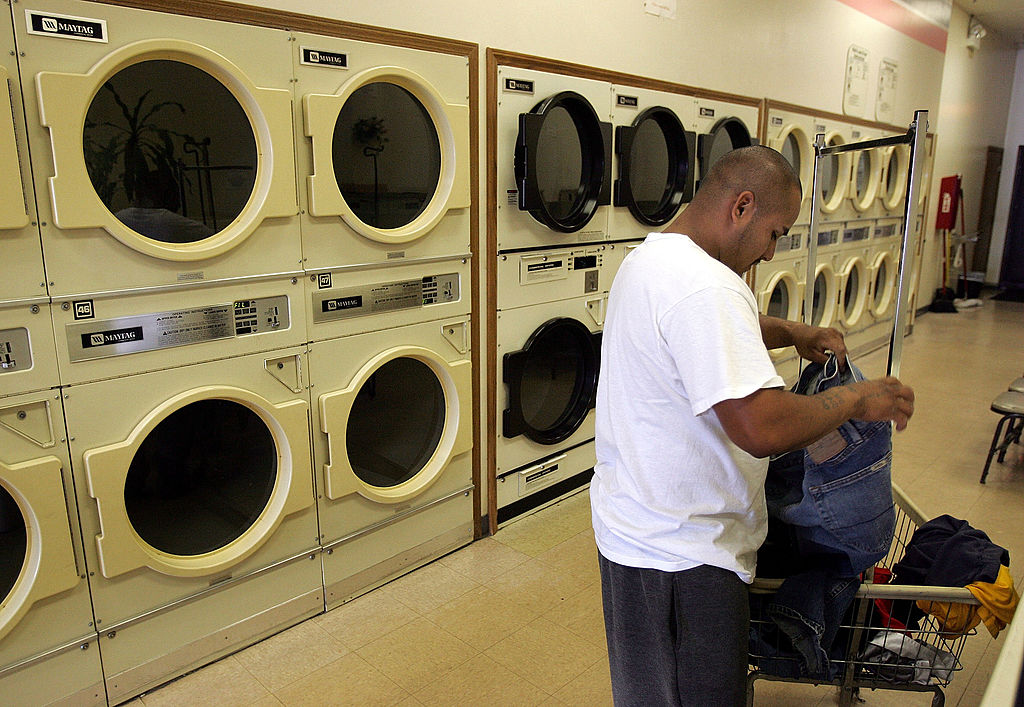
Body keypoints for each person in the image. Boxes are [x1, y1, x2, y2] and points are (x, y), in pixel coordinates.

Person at [589, 145, 915, 707]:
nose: (768, 253)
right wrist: (857, 398)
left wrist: (790, 331)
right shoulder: (706, 288)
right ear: (742, 206)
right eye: (774, 233)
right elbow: (760, 426)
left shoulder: (655, 258)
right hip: (684, 556)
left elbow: (711, 330)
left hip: (637, 531)